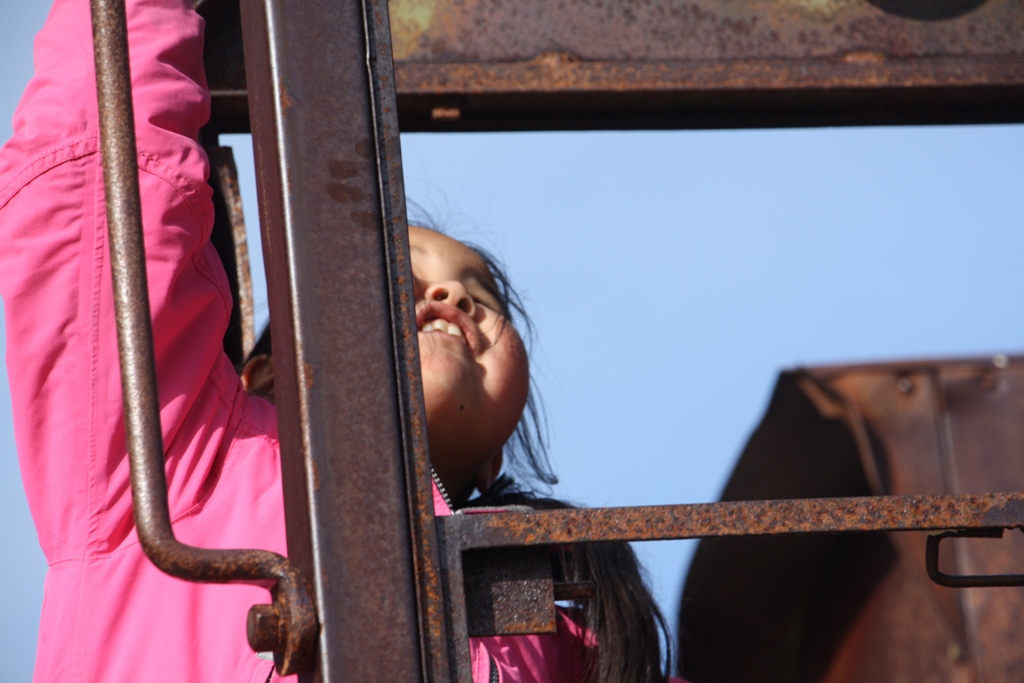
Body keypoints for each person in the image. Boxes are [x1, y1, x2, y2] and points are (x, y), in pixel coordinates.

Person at [0, 0, 679, 680]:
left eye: (481, 292)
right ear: (264, 377)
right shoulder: (179, 458)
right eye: (400, 279)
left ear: (493, 462)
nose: (449, 295)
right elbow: (94, 200)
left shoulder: (565, 628)